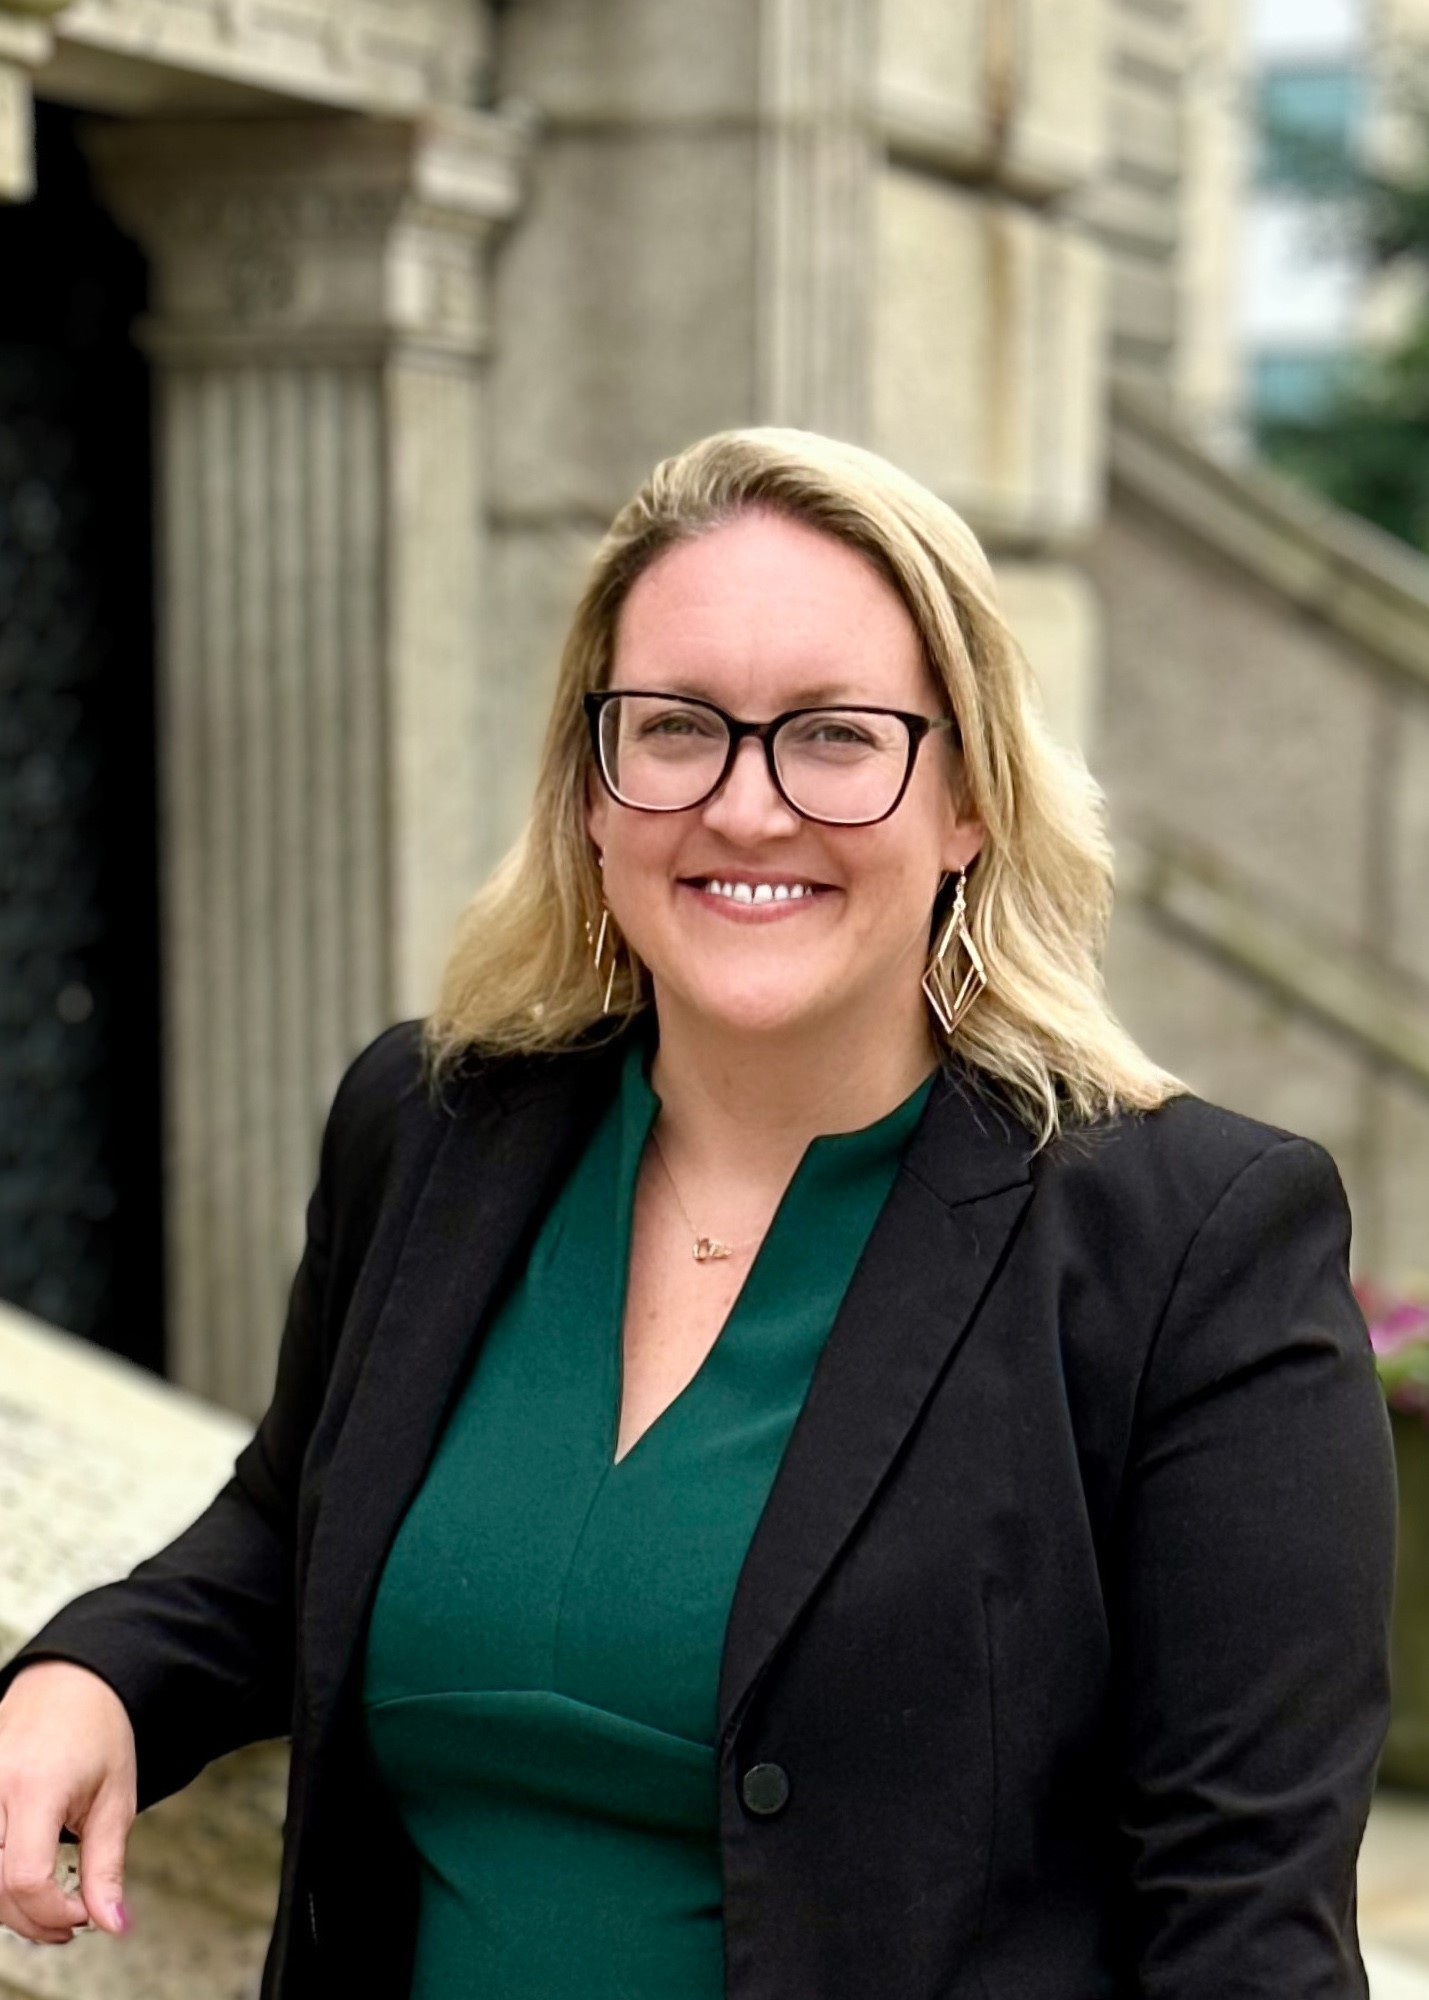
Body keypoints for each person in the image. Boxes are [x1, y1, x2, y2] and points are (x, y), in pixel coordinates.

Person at [0, 428, 1396, 1999]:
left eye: (835, 736)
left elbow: (1244, 1923)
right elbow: (286, 1530)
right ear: (592, 791)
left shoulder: (1194, 1245)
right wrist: (93, 1674)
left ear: (968, 802)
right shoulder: (433, 1125)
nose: (744, 807)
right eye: (673, 729)